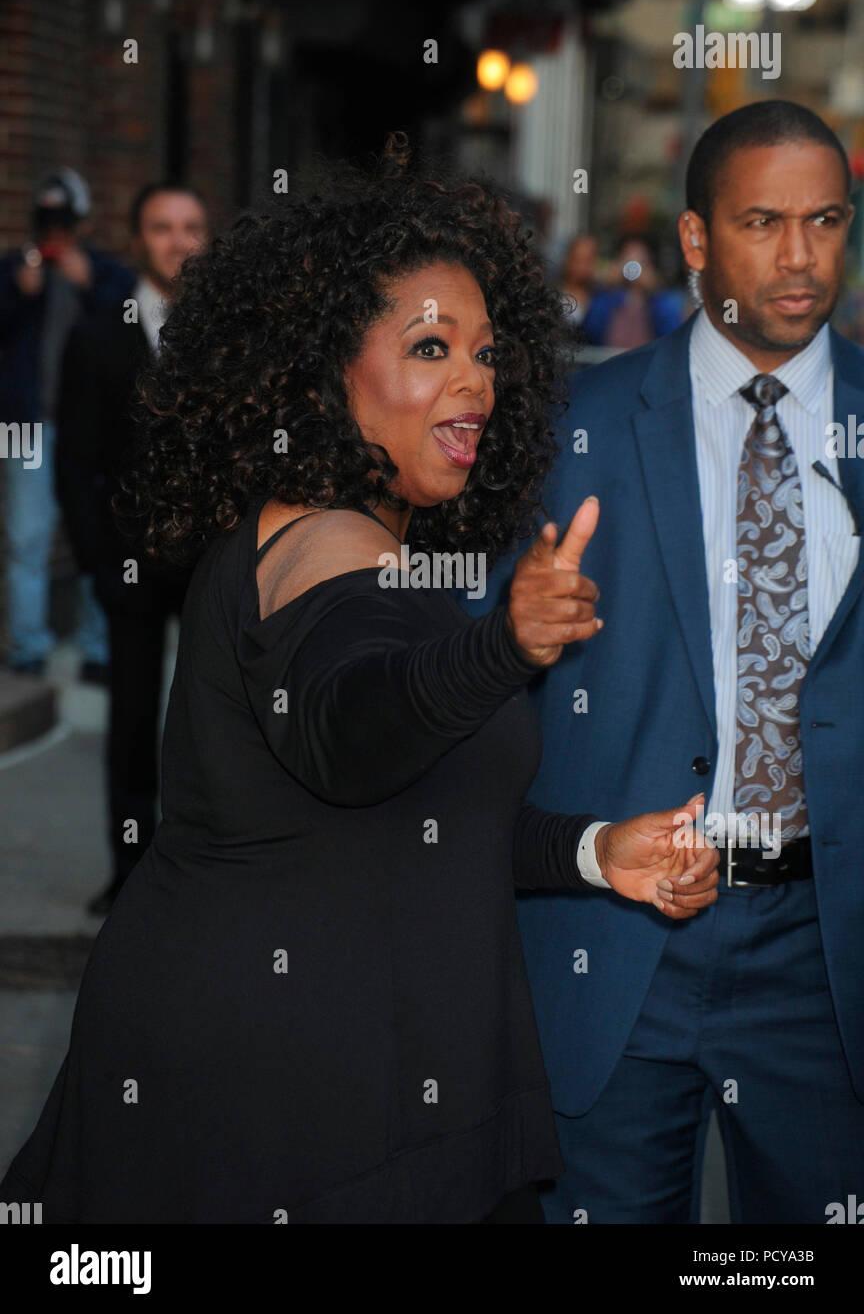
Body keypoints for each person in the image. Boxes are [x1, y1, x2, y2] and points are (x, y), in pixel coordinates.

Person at [0, 136, 718, 1225]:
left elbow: (423, 808)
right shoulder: (327, 543)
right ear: (325, 368)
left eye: (485, 351)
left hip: (345, 1070)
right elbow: (349, 729)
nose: (475, 379)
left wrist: (594, 851)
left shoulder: (364, 542)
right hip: (279, 1103)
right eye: (430, 346)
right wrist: (504, 649)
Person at [467, 100, 864, 1223]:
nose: (799, 257)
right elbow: (456, 683)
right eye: (763, 222)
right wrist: (511, 621)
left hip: (828, 961)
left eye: (826, 221)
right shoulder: (563, 423)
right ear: (696, 242)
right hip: (613, 949)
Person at [55, 181, 209, 915]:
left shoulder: (229, 334)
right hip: (131, 562)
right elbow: (75, 465)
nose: (178, 241)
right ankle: (130, 871)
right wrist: (97, 565)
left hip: (215, 560)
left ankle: (209, 868)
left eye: (191, 227)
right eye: (161, 227)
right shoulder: (98, 333)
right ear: (137, 237)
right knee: (132, 720)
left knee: (216, 720)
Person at [0, 169, 134, 679]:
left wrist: (92, 287)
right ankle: (27, 648)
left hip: (94, 429)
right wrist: (19, 293)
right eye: (46, 221)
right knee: (24, 536)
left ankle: (97, 650)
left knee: (97, 537)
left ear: (83, 224)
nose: (53, 232)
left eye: (63, 221)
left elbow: (132, 329)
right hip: (22, 425)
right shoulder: (15, 269)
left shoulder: (109, 273)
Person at [581, 234, 685, 349]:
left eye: (640, 262)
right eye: (627, 262)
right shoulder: (607, 297)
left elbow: (670, 331)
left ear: (649, 265)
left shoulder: (659, 300)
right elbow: (591, 329)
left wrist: (656, 291)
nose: (633, 270)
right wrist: (607, 287)